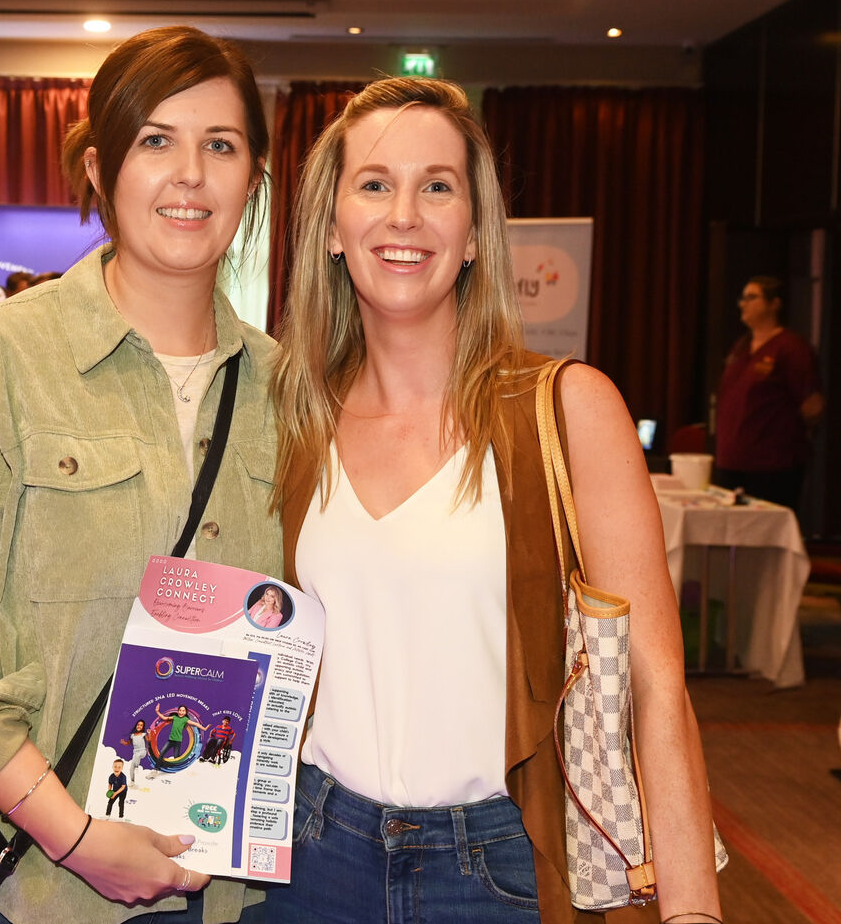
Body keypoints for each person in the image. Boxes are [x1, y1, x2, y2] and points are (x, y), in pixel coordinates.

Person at [264, 77, 722, 924]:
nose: (404, 214)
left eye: (437, 186)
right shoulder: (293, 419)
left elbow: (658, 686)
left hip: (498, 865)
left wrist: (693, 910)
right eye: (374, 184)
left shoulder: (569, 407)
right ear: (331, 228)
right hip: (312, 855)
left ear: (475, 235)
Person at [0, 25, 278, 924]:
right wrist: (72, 832)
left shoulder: (288, 387)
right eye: (155, 142)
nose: (190, 175)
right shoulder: (9, 354)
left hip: (234, 895)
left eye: (221, 145)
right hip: (39, 888)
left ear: (254, 178)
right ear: (99, 168)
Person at [714, 275, 825, 508]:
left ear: (774, 304)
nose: (743, 304)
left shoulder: (791, 348)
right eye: (742, 298)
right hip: (731, 461)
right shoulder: (741, 346)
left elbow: (812, 405)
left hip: (771, 467)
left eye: (752, 297)